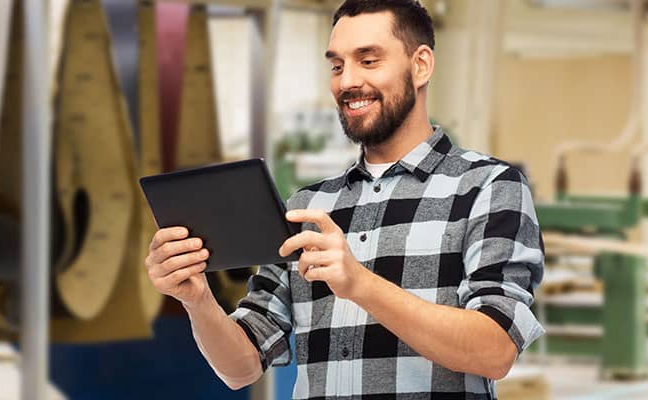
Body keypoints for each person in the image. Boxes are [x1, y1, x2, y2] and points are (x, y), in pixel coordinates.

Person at [143, 0, 544, 398]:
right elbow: (241, 367)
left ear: (420, 65)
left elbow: (495, 350)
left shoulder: (488, 187)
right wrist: (196, 299)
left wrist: (360, 284)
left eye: (368, 61)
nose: (347, 81)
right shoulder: (307, 206)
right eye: (337, 65)